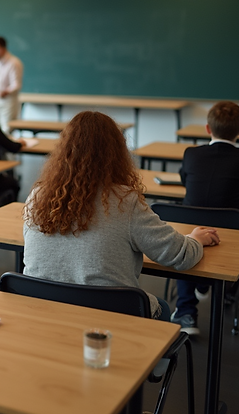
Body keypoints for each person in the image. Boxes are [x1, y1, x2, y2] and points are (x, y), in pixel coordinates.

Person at [23, 111, 220, 322]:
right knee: (160, 307)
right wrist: (195, 240)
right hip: (106, 318)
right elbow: (180, 255)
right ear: (116, 153)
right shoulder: (124, 202)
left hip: (42, 314)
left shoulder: (37, 196)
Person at [173, 100, 239, 334]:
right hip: (230, 231)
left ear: (207, 129)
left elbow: (186, 181)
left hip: (189, 228)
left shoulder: (191, 154)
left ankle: (186, 312)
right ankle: (227, 291)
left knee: (181, 244)